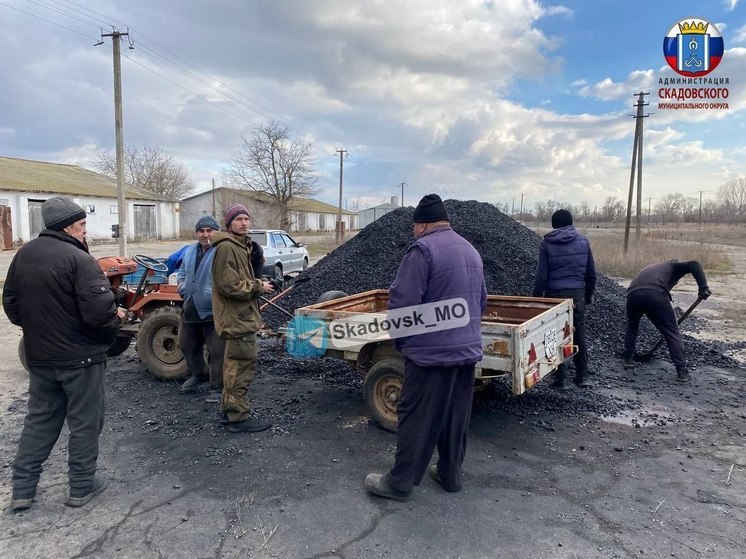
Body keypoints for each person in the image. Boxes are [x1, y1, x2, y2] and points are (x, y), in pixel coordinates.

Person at [3, 197, 123, 511]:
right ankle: (82, 486)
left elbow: (13, 307)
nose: (85, 231)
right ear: (67, 226)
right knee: (85, 422)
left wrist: (41, 329)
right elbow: (100, 314)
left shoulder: (23, 255)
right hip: (81, 359)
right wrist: (111, 329)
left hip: (40, 358)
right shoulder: (79, 259)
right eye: (82, 225)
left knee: (39, 421)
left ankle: (23, 489)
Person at [365, 194, 487, 501]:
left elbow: (403, 303)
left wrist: (404, 344)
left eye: (413, 226)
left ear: (421, 225)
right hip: (467, 352)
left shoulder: (422, 250)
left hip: (431, 355)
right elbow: (481, 301)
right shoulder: (471, 250)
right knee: (455, 415)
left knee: (416, 415)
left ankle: (400, 482)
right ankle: (450, 475)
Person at [211, 203, 274, 433]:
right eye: (239, 219)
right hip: (238, 319)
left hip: (242, 316)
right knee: (240, 367)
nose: (244, 223)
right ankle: (238, 417)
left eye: (247, 219)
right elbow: (229, 285)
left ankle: (230, 411)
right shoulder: (228, 247)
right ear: (229, 224)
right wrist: (259, 286)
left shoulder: (241, 245)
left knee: (235, 366)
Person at [532, 209, 596, 389]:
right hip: (576, 295)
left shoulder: (547, 243)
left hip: (554, 297)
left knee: (556, 336)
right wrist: (588, 296)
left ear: (554, 224)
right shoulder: (583, 241)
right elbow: (591, 274)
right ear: (571, 222)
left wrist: (535, 299)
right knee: (579, 335)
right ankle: (582, 377)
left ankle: (561, 380)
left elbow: (541, 276)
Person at [623, 260, 711, 383]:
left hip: (633, 294)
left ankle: (628, 359)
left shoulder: (654, 268)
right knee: (672, 331)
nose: (675, 283)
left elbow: (651, 310)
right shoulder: (674, 266)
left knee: (632, 325)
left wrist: (662, 328)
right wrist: (703, 287)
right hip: (655, 293)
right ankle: (682, 371)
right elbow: (695, 264)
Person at [177, 216, 225, 403]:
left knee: (217, 350)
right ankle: (200, 374)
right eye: (201, 231)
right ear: (197, 233)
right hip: (190, 306)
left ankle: (217, 386)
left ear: (216, 232)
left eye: (209, 230)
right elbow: (182, 270)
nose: (205, 234)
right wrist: (181, 284)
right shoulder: (189, 250)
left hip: (212, 309)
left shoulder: (220, 251)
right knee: (186, 344)